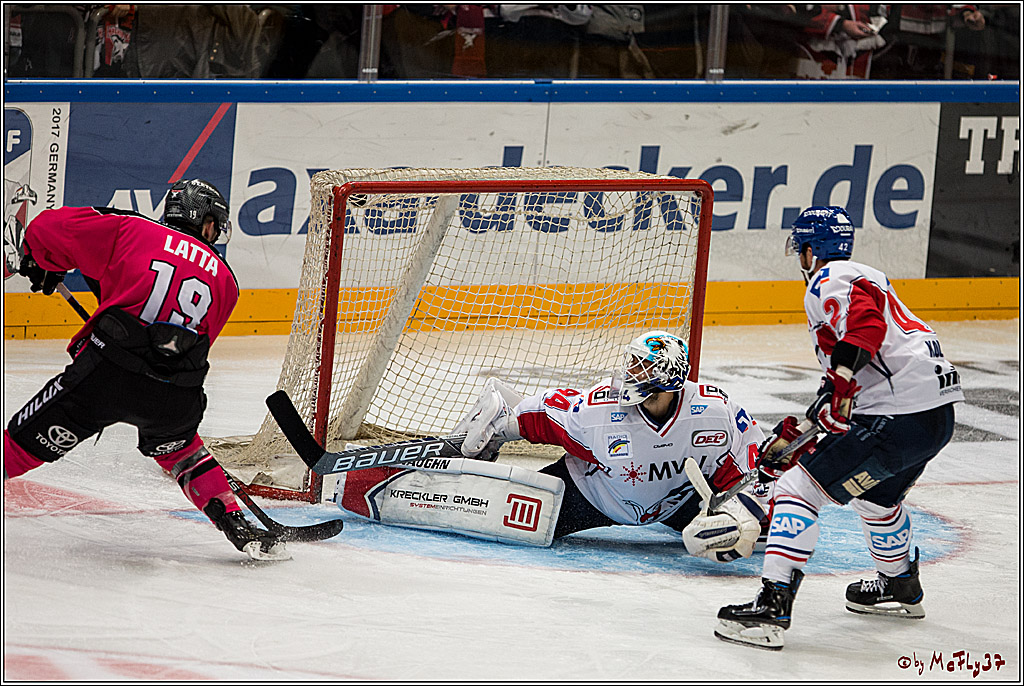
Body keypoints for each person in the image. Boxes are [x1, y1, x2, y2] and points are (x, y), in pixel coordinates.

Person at [715, 206, 964, 651]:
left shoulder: (827, 281)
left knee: (796, 489)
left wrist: (844, 383)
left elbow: (862, 330)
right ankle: (899, 585)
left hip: (898, 414)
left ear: (811, 250)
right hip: (936, 415)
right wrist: (808, 425)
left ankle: (772, 607)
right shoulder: (866, 275)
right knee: (877, 495)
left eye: (801, 249)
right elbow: (851, 365)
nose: (800, 258)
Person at [3, 179, 289, 561]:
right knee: (183, 451)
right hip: (173, 395)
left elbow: (45, 229)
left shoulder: (133, 229)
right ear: (206, 224)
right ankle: (234, 521)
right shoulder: (227, 280)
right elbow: (180, 341)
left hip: (102, 381)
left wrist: (45, 262)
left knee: (17, 447)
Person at [337, 330, 773, 563]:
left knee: (757, 538)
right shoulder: (602, 411)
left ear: (668, 382)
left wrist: (737, 518)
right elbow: (546, 417)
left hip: (675, 502)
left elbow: (753, 472)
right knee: (497, 519)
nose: (629, 377)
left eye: (641, 370)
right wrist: (498, 427)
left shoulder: (715, 412)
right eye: (631, 366)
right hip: (590, 494)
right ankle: (374, 484)